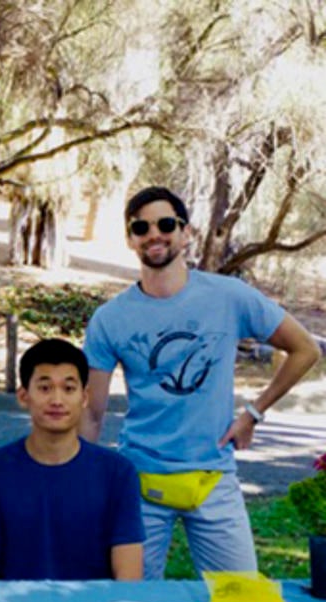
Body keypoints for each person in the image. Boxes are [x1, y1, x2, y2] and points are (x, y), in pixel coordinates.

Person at [82, 185, 321, 579]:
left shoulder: (229, 297)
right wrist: (79, 479)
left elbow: (305, 349)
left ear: (186, 232)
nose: (153, 234)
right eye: (141, 227)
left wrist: (254, 413)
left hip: (214, 477)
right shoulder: (110, 319)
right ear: (130, 239)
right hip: (140, 481)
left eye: (165, 224)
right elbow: (92, 412)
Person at [0, 339, 144, 580]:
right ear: (23, 396)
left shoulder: (118, 474)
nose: (57, 400)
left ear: (84, 397)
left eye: (68, 388)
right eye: (45, 388)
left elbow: (128, 581)